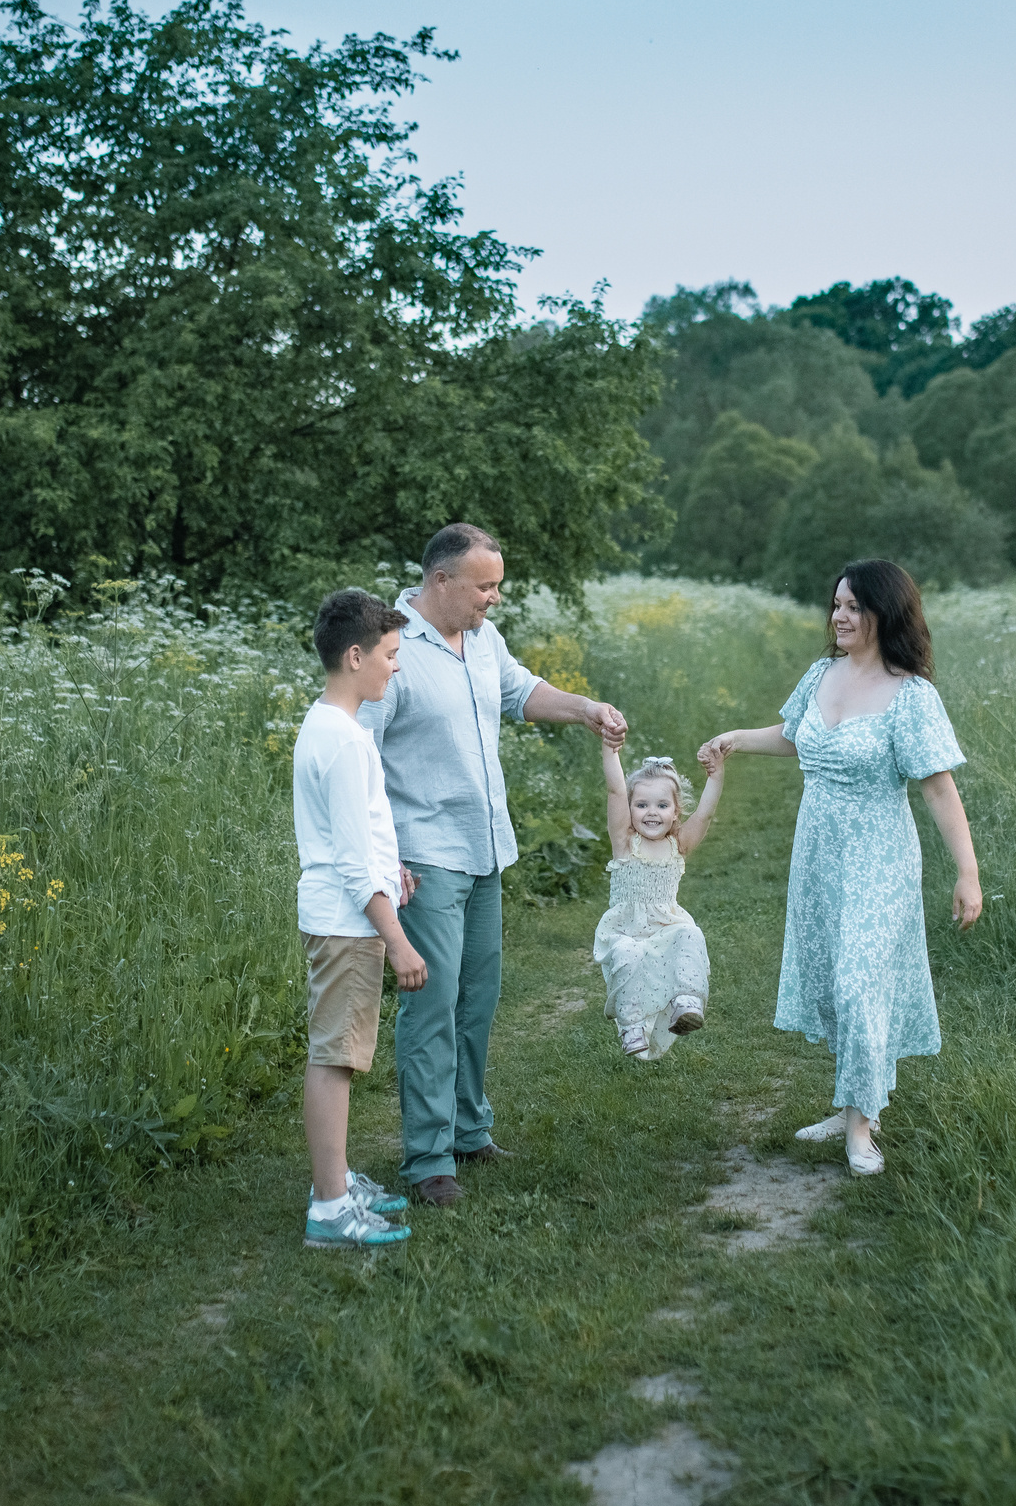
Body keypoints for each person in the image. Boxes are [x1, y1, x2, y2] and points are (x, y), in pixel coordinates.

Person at [361, 523, 629, 1206]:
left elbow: (520, 691)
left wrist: (587, 710)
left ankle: (469, 1129)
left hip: (486, 849)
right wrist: (383, 860)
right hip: (425, 857)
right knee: (432, 1006)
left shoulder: (482, 639)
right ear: (440, 580)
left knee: (478, 999)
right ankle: (427, 1161)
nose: (495, 598)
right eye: (485, 585)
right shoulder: (391, 650)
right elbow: (359, 759)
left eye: (498, 584)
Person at [699, 559, 981, 1178]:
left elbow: (938, 788)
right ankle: (855, 1102)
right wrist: (737, 739)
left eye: (854, 607)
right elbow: (796, 736)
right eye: (836, 605)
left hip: (879, 857)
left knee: (860, 983)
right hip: (819, 853)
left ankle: (860, 1131)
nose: (840, 617)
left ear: (885, 613)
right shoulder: (821, 673)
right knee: (834, 980)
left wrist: (968, 872)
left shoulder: (911, 695)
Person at [292, 589, 426, 1250]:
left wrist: (391, 869)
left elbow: (355, 839)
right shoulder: (344, 741)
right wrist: (397, 940)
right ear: (355, 656)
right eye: (391, 655)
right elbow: (350, 863)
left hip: (349, 914)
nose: (396, 668)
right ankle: (330, 1207)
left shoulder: (331, 726)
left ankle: (337, 1177)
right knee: (335, 1061)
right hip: (348, 922)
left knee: (337, 1056)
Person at [593, 748, 724, 1061]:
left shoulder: (678, 845)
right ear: (630, 809)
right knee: (627, 954)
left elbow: (704, 814)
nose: (651, 812)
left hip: (666, 926)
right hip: (626, 930)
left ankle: (686, 1002)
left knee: (691, 934)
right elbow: (615, 789)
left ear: (676, 811)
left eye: (662, 805)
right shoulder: (624, 843)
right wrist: (610, 750)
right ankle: (632, 1025)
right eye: (641, 805)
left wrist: (716, 776)